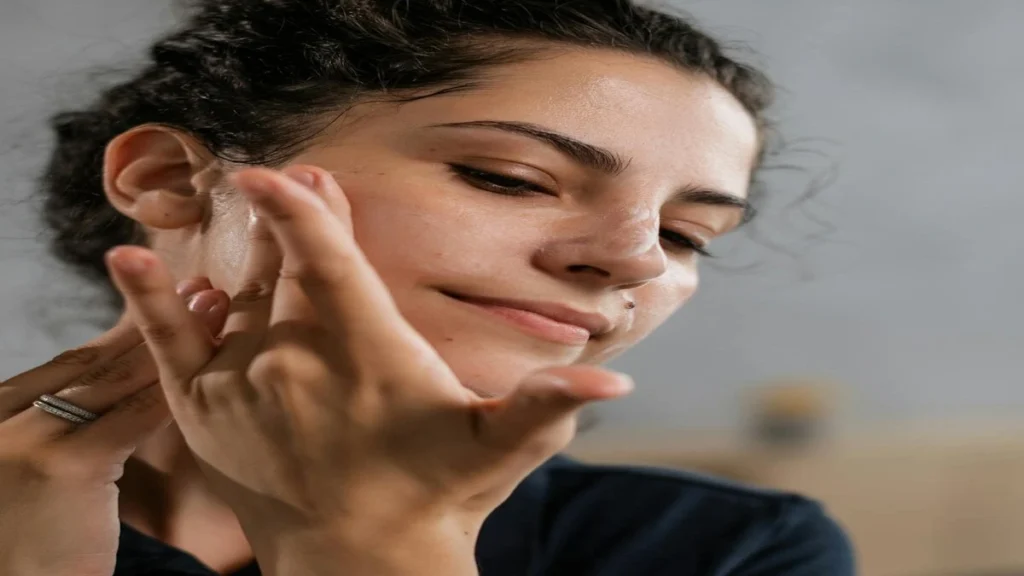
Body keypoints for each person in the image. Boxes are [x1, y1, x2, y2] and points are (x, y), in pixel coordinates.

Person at [0, 1, 855, 574]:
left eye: (684, 235)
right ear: (168, 180)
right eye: (510, 177)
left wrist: (367, 545)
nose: (634, 260)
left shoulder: (725, 553)